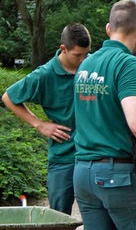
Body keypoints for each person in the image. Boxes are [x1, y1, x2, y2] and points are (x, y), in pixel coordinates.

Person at [73, 0, 136, 229]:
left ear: (108, 28)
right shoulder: (127, 64)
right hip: (114, 174)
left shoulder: (86, 65)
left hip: (82, 173)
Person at [1, 23, 91, 214]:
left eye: (87, 54)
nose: (84, 59)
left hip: (93, 155)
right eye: (78, 55)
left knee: (98, 217)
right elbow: (8, 97)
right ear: (63, 49)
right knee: (58, 216)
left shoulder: (93, 67)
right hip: (63, 156)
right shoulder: (44, 75)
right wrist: (39, 124)